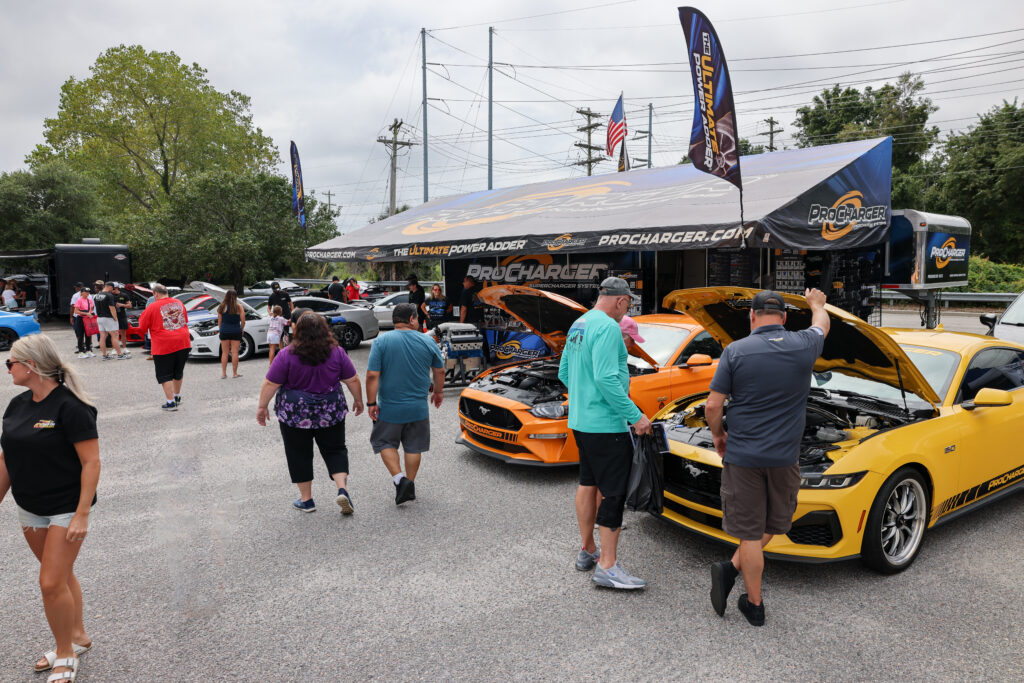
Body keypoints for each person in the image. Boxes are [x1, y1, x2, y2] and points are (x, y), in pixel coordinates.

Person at [706, 289, 830, 627]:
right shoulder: (805, 344)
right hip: (784, 458)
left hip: (743, 457)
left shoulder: (735, 351)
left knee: (749, 534)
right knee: (774, 525)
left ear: (752, 317)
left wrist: (718, 435)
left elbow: (713, 405)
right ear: (785, 318)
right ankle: (745, 589)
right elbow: (822, 323)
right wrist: (817, 305)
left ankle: (751, 599)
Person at [0, 334, 99, 681]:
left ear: (30, 366)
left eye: (10, 362)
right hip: (31, 507)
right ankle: (78, 637)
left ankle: (66, 654)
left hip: (65, 508)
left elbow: (91, 463)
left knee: (49, 583)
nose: (7, 367)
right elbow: (7, 457)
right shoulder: (17, 405)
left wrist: (82, 513)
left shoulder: (71, 408)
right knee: (59, 575)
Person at [558, 276, 652, 590]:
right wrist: (636, 416)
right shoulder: (610, 328)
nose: (627, 311)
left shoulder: (579, 324)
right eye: (629, 305)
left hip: (581, 422)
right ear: (622, 300)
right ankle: (608, 567)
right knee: (613, 492)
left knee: (588, 483)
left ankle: (587, 550)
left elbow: (564, 372)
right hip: (606, 425)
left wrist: (583, 398)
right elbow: (607, 379)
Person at [257, 312, 364, 514]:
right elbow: (353, 379)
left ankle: (307, 500)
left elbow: (271, 383)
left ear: (297, 330)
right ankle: (342, 488)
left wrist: (262, 406)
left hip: (295, 414)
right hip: (330, 411)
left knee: (299, 453)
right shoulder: (337, 352)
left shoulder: (286, 354)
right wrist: (358, 400)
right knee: (335, 449)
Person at [365, 303, 444, 505]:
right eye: (417, 318)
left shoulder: (381, 342)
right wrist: (438, 391)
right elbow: (439, 371)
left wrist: (371, 402)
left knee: (384, 442)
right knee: (413, 446)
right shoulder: (428, 341)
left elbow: (373, 375)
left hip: (389, 407)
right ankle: (409, 483)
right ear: (411, 319)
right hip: (418, 408)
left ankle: (400, 481)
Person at [136, 284, 190, 412]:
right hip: (183, 341)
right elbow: (185, 320)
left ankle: (171, 403)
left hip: (164, 344)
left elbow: (142, 328)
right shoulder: (179, 302)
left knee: (165, 374)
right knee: (178, 371)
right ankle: (177, 397)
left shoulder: (152, 307)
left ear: (155, 294)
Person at [217, 289, 246, 379]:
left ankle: (224, 374)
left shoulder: (222, 306)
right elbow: (243, 321)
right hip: (236, 331)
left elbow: (219, 322)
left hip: (224, 331)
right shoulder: (239, 307)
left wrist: (222, 329)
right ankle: (234, 373)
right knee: (234, 352)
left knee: (225, 353)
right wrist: (241, 329)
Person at [92, 283, 125, 360]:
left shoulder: (96, 295)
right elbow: (112, 308)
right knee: (115, 335)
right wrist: (115, 318)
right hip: (109, 318)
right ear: (109, 287)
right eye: (112, 288)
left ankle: (105, 355)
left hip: (100, 318)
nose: (113, 290)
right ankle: (120, 354)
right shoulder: (109, 295)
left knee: (102, 336)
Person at [69, 285, 95, 358]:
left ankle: (88, 350)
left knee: (88, 335)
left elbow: (91, 309)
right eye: (86, 292)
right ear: (81, 293)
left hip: (88, 319)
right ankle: (81, 352)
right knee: (80, 335)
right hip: (80, 319)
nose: (87, 293)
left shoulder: (89, 300)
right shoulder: (79, 300)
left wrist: (91, 313)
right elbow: (76, 311)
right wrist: (86, 313)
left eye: (88, 292)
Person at [112, 284, 131, 357]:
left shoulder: (124, 295)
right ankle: (114, 348)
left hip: (122, 315)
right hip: (113, 317)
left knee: (123, 333)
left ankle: (124, 348)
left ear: (117, 288)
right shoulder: (110, 295)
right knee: (114, 333)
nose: (112, 289)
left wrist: (122, 305)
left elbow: (129, 305)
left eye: (113, 288)